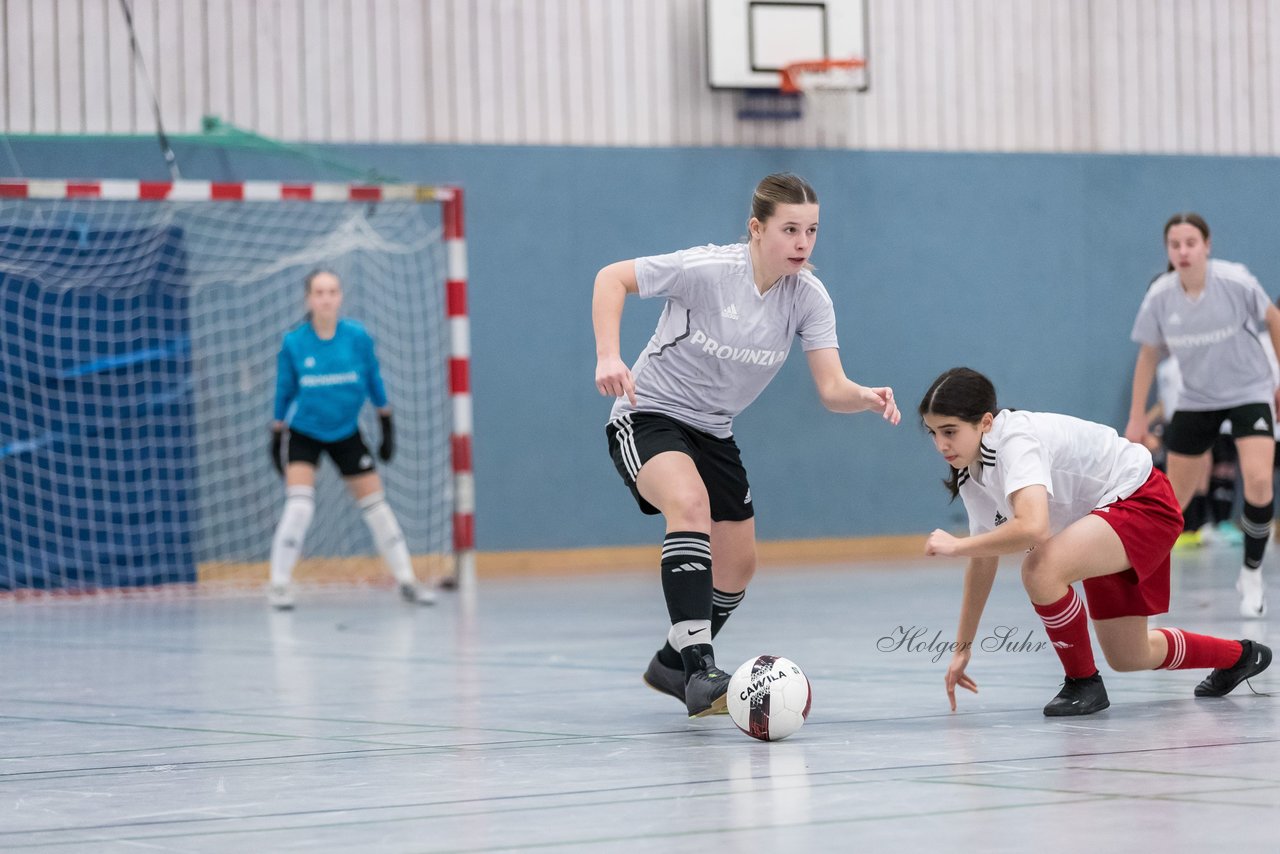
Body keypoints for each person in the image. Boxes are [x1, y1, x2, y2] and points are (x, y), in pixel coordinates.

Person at [593, 173, 900, 717]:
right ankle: (701, 669)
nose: (803, 242)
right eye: (789, 229)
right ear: (756, 230)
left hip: (715, 430)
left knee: (737, 567)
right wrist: (609, 356)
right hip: (649, 415)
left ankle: (672, 661)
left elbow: (832, 389)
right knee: (690, 506)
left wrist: (867, 397)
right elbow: (611, 278)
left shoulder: (808, 298)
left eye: (812, 230)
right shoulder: (707, 270)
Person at [921, 367, 1271, 717]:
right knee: (1130, 656)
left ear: (984, 422)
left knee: (1041, 568)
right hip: (1098, 518)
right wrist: (962, 648)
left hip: (1141, 500)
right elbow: (984, 559)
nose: (941, 445)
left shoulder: (1015, 440)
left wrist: (956, 545)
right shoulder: (971, 472)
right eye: (933, 433)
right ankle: (1241, 656)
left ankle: (1083, 682)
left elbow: (1034, 527)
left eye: (949, 431)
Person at [1124, 213, 1280, 618]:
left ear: (1207, 245)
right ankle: (1145, 578)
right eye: (1175, 245)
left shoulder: (1236, 281)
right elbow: (1147, 353)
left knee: (1260, 479)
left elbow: (1273, 320)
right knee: (1173, 500)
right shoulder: (1160, 295)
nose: (1183, 251)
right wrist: (1137, 417)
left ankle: (1251, 571)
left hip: (1249, 391)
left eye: (1191, 242)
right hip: (1195, 400)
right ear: (1168, 251)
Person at [267, 269, 434, 609]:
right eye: (319, 292)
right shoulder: (295, 343)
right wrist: (276, 433)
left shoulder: (357, 337)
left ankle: (406, 580)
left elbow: (373, 378)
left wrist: (386, 423)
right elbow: (285, 390)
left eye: (332, 291)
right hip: (305, 432)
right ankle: (279, 584)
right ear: (309, 299)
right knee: (299, 506)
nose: (326, 298)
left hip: (346, 431)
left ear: (340, 296)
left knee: (377, 507)